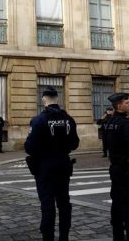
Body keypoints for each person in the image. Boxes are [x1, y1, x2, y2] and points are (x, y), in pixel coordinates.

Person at [25, 86, 79, 241]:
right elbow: (75, 143)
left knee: (47, 204)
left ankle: (48, 237)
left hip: (45, 166)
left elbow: (30, 147)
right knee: (64, 203)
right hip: (63, 164)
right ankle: (64, 236)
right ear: (58, 100)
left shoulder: (39, 120)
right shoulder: (68, 119)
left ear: (44, 101)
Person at [105, 92, 129, 241]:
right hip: (126, 168)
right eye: (126, 102)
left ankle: (117, 234)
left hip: (115, 167)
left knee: (116, 201)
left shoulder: (109, 122)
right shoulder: (124, 123)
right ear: (119, 105)